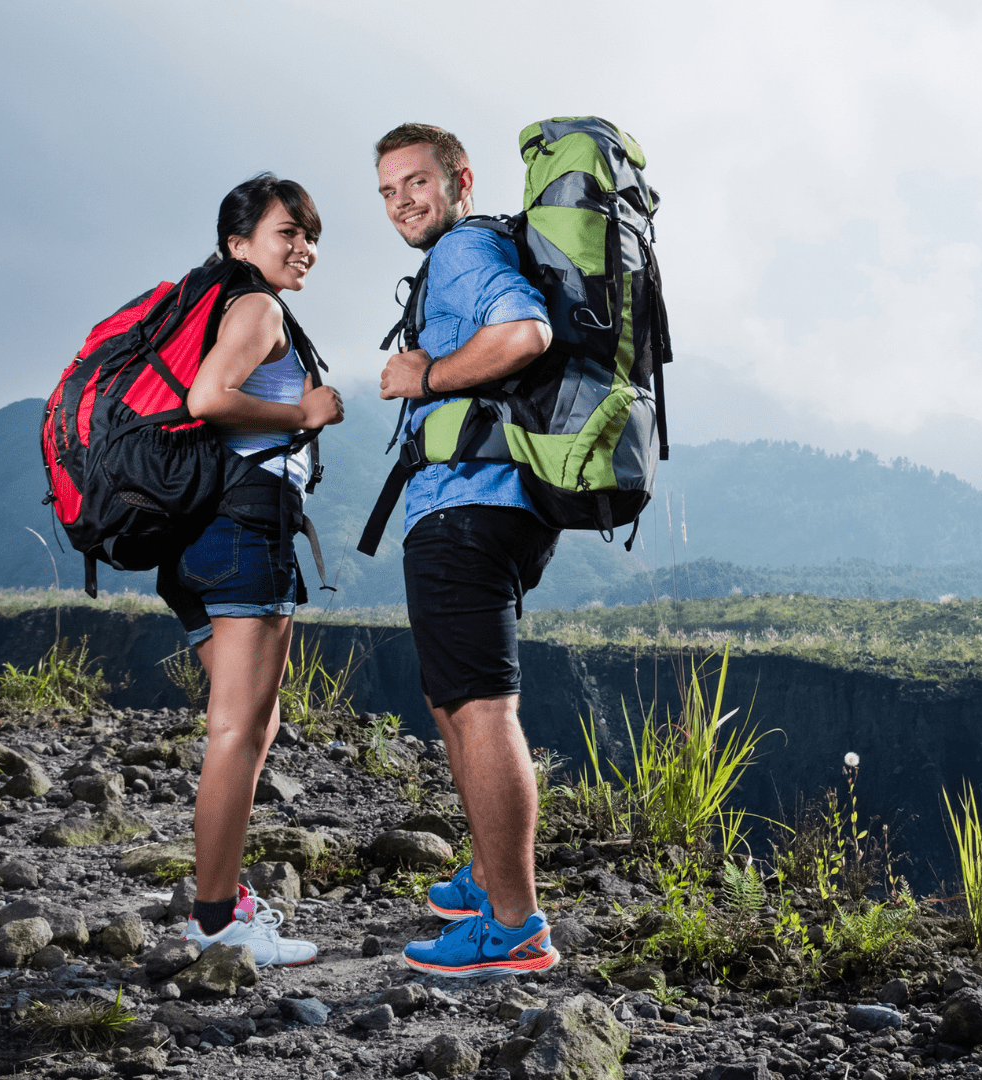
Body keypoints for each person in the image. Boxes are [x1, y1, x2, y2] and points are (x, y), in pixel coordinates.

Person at [373, 124, 561, 977]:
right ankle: (488, 880)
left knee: (482, 707)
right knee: (458, 702)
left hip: (471, 507)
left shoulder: (461, 251)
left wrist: (427, 376)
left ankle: (515, 926)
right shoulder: (464, 252)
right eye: (387, 190)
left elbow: (524, 334)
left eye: (416, 181)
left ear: (460, 180)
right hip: (486, 507)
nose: (402, 200)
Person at [157, 173, 343, 967]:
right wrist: (303, 412)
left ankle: (221, 905)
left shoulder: (214, 304)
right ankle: (215, 924)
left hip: (196, 537)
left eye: (310, 236)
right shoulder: (257, 307)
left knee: (246, 726)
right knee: (240, 732)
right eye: (286, 233)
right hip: (242, 532)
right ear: (239, 244)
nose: (303, 248)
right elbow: (208, 398)